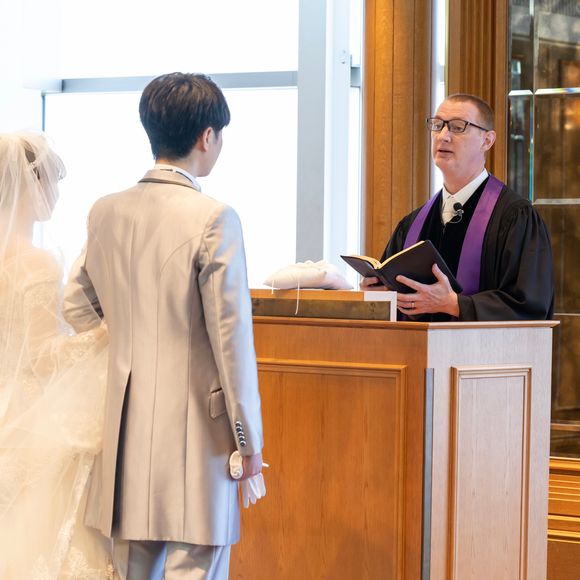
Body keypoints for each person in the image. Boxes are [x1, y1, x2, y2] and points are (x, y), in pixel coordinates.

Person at [63, 72, 264, 579]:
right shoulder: (215, 218)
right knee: (198, 566)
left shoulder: (105, 211)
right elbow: (231, 341)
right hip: (200, 433)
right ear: (207, 136)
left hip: (125, 426)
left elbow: (76, 303)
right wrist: (248, 441)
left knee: (132, 569)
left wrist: (127, 339)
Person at [0, 132, 113, 578]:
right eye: (50, 180)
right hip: (31, 414)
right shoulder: (36, 263)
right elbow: (45, 357)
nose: (56, 192)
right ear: (30, 185)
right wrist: (105, 334)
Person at [361, 93, 554, 321]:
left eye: (458, 127)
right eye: (437, 125)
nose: (443, 136)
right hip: (416, 345)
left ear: (487, 141)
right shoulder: (412, 224)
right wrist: (380, 294)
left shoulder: (515, 218)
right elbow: (395, 308)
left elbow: (530, 305)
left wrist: (455, 305)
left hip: (483, 346)